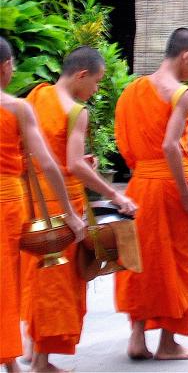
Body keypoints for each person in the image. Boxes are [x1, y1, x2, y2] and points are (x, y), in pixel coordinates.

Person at [23, 46, 136, 372]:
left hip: (34, 200)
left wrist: (80, 163)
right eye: (97, 82)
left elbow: (42, 151)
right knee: (59, 284)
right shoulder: (76, 111)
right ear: (81, 75)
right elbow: (71, 164)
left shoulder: (35, 97)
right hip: (63, 202)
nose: (96, 90)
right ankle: (42, 363)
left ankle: (33, 348)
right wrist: (115, 195)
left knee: (39, 278)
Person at [115, 28, 188, 360]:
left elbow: (130, 143)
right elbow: (169, 143)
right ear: (185, 56)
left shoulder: (133, 89)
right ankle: (168, 343)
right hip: (169, 189)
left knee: (141, 260)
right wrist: (184, 193)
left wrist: (186, 156)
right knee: (175, 262)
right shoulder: (181, 93)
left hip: (140, 184)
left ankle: (137, 338)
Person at [0, 37, 85, 373]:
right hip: (7, 202)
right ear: (6, 68)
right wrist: (68, 213)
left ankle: (11, 362)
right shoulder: (18, 108)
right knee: (6, 281)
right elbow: (48, 164)